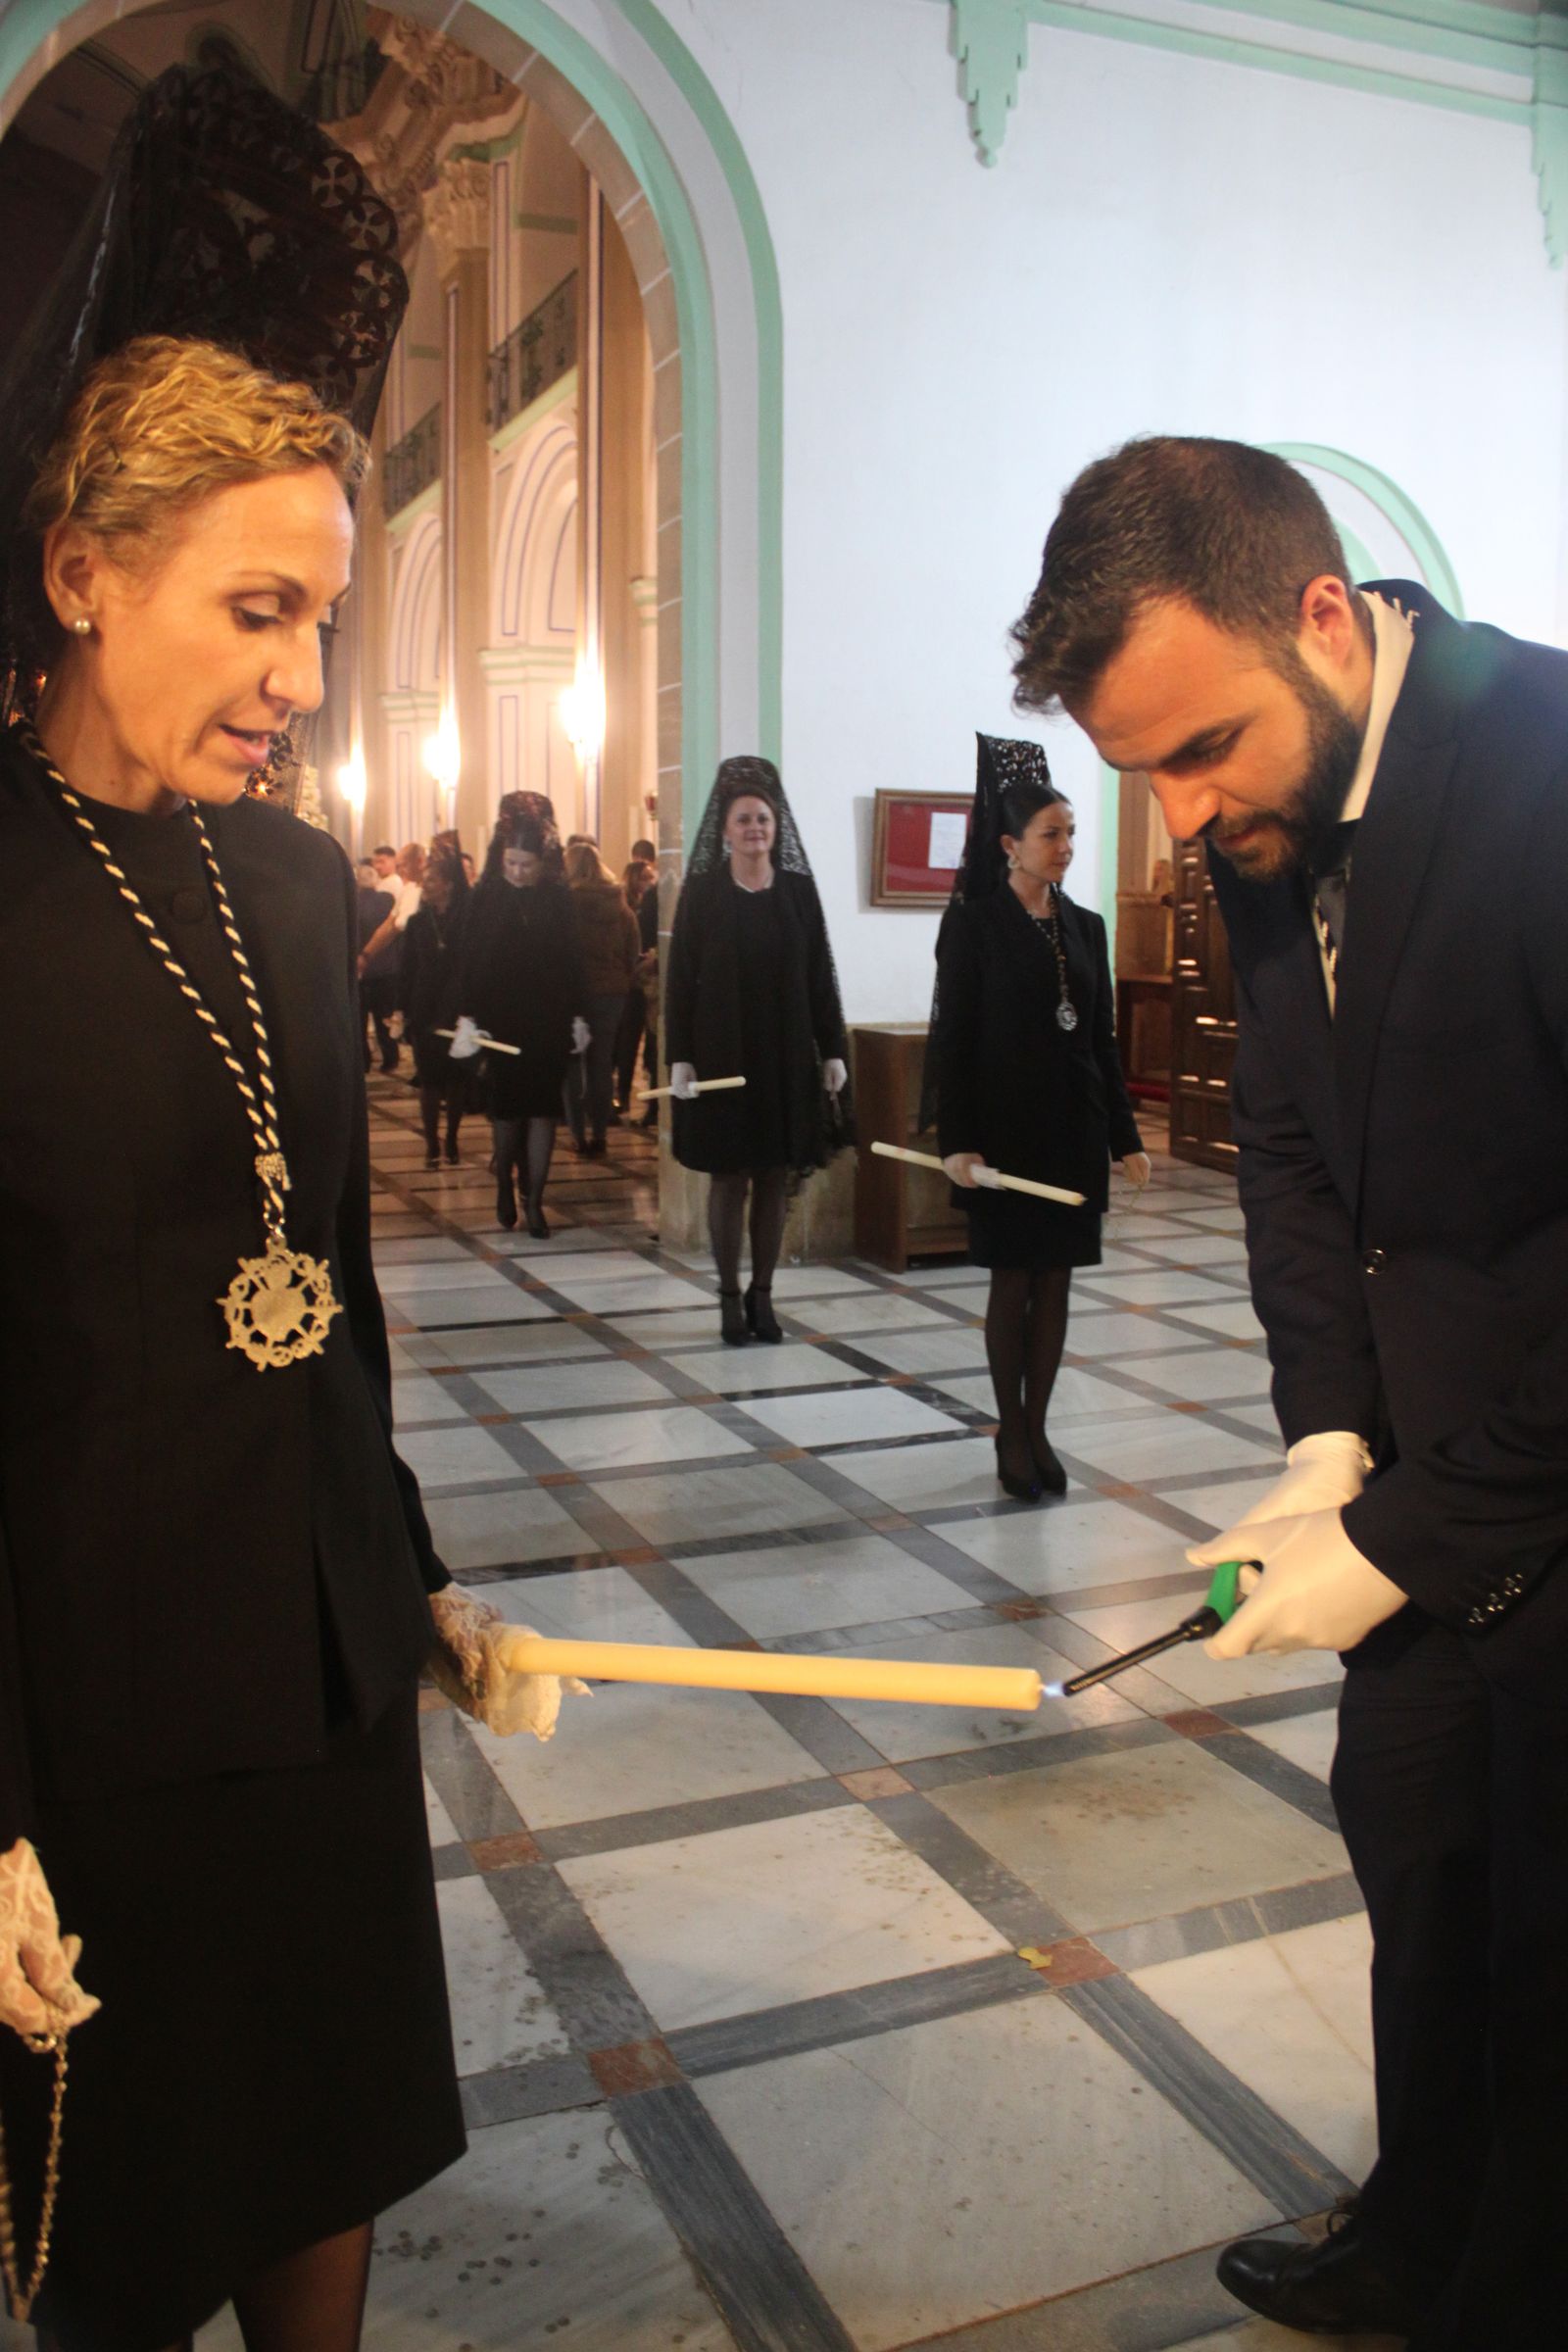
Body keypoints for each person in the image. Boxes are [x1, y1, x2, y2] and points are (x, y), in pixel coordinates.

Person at [0, 66, 569, 2352]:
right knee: (127, 2233)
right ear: (77, 570)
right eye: (255, 610)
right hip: (94, 1714)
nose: (300, 682)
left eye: (322, 619)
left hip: (319, 1684)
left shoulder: (297, 872)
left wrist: (420, 1585)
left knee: (326, 2147)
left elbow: (322, 1293)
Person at [1011, 433, 1568, 2352]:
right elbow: (1289, 1157)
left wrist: (1403, 1526)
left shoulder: (1545, 772)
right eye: (1137, 770)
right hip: (1407, 1492)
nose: (1173, 817)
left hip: (1541, 1510)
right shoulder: (1267, 813)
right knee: (1415, 1872)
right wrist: (1325, 1440)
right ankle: (1415, 2230)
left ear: (1324, 619)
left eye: (1197, 749)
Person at [929, 737, 1149, 1500]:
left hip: (1071, 1132)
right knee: (1012, 1281)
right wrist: (956, 1139)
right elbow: (951, 1037)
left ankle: (1039, 1424)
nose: (1066, 846)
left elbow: (1101, 1038)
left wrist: (1125, 1137)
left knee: (1056, 1283)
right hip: (1004, 1137)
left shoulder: (1085, 925)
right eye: (1051, 834)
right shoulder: (975, 923)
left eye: (1071, 831)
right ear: (1009, 845)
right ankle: (1008, 1428)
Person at [665, 756, 850, 1345]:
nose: (755, 829)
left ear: (777, 826)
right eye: (744, 820)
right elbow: (681, 979)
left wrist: (833, 1048)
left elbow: (821, 972)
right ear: (725, 829)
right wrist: (681, 1055)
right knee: (729, 1177)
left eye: (764, 819)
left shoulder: (797, 892)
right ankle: (726, 1295)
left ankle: (762, 1294)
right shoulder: (702, 894)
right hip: (723, 1056)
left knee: (773, 1176)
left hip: (788, 1053)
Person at [457, 809, 587, 1237]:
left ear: (542, 863)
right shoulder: (486, 897)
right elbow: (471, 962)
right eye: (510, 863)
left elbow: (573, 959)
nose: (516, 872)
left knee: (544, 1111)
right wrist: (468, 1016)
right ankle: (503, 1184)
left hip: (548, 1017)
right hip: (502, 1018)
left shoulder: (557, 898)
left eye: (525, 865)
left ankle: (534, 1200)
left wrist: (580, 1015)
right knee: (509, 1112)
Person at [398, 830, 472, 1168]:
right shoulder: (417, 923)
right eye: (424, 879)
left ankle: (453, 1139)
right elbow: (407, 969)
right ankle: (431, 1143)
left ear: (448, 884)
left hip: (457, 1009)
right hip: (425, 1008)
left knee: (456, 1079)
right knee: (429, 1080)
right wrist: (401, 1010)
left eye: (431, 879)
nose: (424, 884)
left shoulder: (465, 920)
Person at [562, 840, 639, 1155]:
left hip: (575, 995)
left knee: (572, 1063)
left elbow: (559, 953)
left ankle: (578, 1134)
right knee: (601, 1062)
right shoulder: (620, 905)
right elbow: (632, 950)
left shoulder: (566, 904)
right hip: (612, 993)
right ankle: (602, 1134)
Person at [613, 858, 657, 1117]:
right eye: (645, 877)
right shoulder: (625, 906)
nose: (649, 882)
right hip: (633, 980)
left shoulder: (650, 902)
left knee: (652, 1042)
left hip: (649, 980)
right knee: (628, 1040)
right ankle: (622, 1094)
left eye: (651, 877)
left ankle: (651, 1102)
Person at [355, 857, 397, 1073]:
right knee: (385, 1018)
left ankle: (363, 1060)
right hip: (387, 967)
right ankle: (391, 1057)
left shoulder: (352, 903)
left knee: (360, 1020)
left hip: (361, 967)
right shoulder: (388, 899)